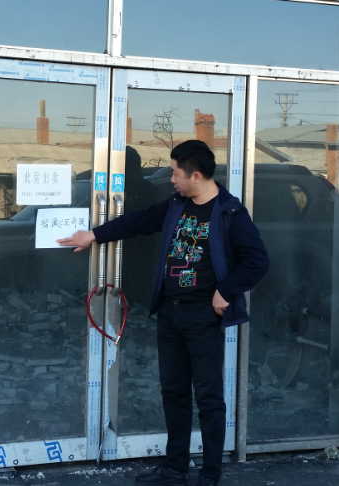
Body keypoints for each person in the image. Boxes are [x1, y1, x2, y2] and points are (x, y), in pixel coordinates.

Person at [58, 140, 270, 486]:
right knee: (173, 392)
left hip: (203, 318)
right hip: (171, 314)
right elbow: (138, 221)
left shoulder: (230, 212)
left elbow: (257, 260)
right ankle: (175, 469)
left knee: (208, 398)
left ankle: (210, 474)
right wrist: (93, 235)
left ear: (195, 176)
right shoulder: (176, 206)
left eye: (175, 173)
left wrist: (226, 290)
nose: (171, 179)